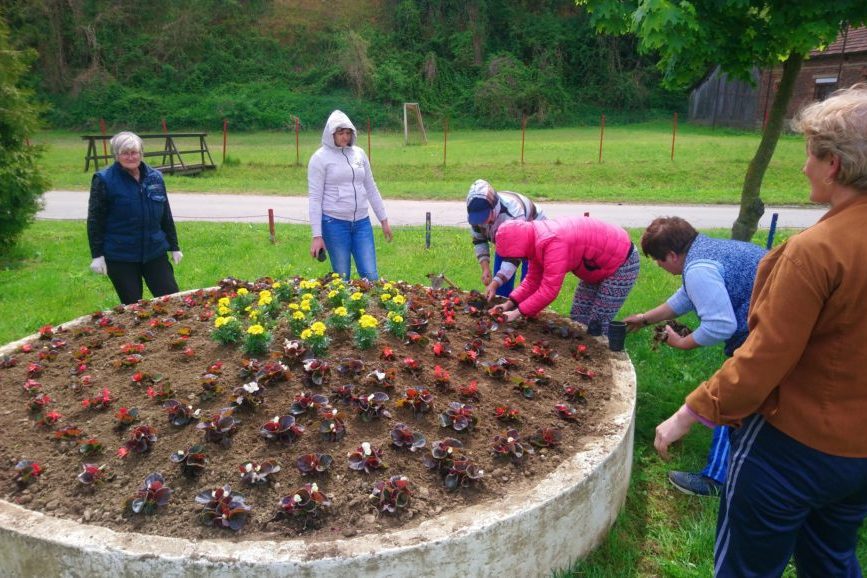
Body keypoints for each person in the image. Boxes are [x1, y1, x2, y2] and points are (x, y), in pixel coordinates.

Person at [654, 84, 867, 577]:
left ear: (833, 163)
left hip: (793, 448)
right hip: (858, 456)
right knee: (832, 558)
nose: (804, 167)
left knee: (747, 567)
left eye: (810, 155)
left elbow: (765, 356)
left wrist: (690, 412)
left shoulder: (817, 250)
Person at [623, 217, 766, 497]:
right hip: (782, 327)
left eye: (658, 260)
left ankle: (716, 479)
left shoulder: (699, 268)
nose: (659, 266)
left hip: (760, 337)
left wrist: (683, 343)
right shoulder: (705, 250)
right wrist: (644, 318)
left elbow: (721, 325)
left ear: (673, 255)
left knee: (732, 400)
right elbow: (686, 297)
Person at [491, 216, 639, 331]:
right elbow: (532, 280)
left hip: (622, 261)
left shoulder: (553, 243)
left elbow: (549, 290)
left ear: (521, 244)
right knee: (579, 317)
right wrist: (508, 305)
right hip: (594, 265)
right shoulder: (535, 241)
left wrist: (517, 313)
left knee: (598, 322)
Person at [87, 131, 182, 305]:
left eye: (134, 152)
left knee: (171, 300)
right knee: (133, 307)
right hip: (121, 255)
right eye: (125, 153)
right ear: (116, 155)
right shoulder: (104, 180)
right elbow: (95, 220)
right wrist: (97, 255)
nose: (130, 157)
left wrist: (174, 246)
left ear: (141, 153)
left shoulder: (155, 177)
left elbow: (165, 214)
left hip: (154, 251)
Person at [308, 110, 392, 280]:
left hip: (362, 223)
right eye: (340, 133)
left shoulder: (359, 154)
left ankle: (371, 307)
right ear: (331, 134)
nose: (345, 137)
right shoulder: (319, 159)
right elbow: (315, 199)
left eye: (348, 133)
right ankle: (343, 306)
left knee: (370, 275)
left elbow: (371, 186)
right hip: (334, 223)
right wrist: (317, 236)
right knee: (342, 277)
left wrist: (384, 220)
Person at [465, 179, 545, 300]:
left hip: (535, 233)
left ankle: (524, 312)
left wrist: (495, 282)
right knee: (500, 291)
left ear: (493, 208)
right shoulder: (475, 215)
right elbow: (479, 240)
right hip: (505, 237)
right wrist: (485, 268)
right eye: (478, 218)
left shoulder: (513, 215)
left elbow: (514, 257)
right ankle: (503, 309)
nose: (481, 222)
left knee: (529, 283)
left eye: (484, 217)